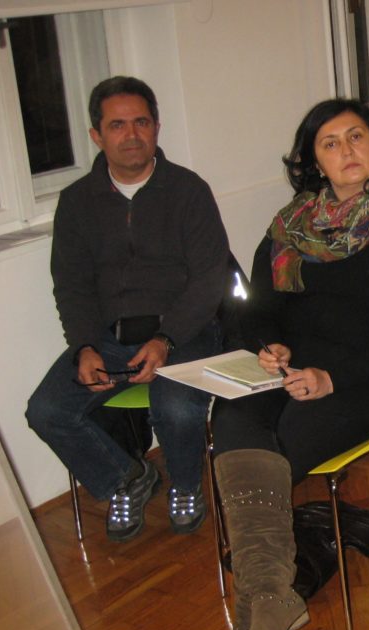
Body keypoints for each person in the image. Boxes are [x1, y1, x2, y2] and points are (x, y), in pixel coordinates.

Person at [207, 99, 369, 630]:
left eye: (356, 137)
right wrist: (268, 345)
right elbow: (258, 309)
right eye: (330, 143)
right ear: (314, 161)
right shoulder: (290, 227)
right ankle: (269, 597)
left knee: (280, 446)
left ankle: (259, 605)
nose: (346, 151)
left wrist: (331, 377)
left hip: (359, 383)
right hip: (286, 370)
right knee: (231, 420)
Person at [26, 76, 229, 542]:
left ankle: (185, 484)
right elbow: (72, 286)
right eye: (117, 125)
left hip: (186, 330)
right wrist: (83, 346)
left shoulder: (188, 190)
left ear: (157, 127)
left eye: (141, 122)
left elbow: (208, 280)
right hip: (108, 338)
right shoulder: (76, 202)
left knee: (175, 406)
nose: (131, 134)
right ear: (97, 136)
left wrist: (165, 340)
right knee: (47, 410)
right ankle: (127, 478)